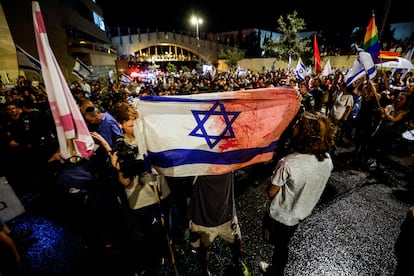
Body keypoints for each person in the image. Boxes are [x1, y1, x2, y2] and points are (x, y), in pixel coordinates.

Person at [259, 111, 335, 276]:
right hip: (300, 214)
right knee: (283, 242)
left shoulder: (289, 163)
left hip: (279, 216)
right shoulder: (327, 160)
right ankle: (278, 267)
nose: (293, 127)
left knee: (275, 242)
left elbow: (271, 192)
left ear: (305, 134)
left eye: (298, 125)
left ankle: (276, 271)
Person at [186, 172, 249, 276]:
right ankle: (205, 271)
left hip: (227, 217)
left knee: (237, 247)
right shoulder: (197, 164)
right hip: (202, 221)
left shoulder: (228, 159)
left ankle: (237, 262)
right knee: (203, 251)